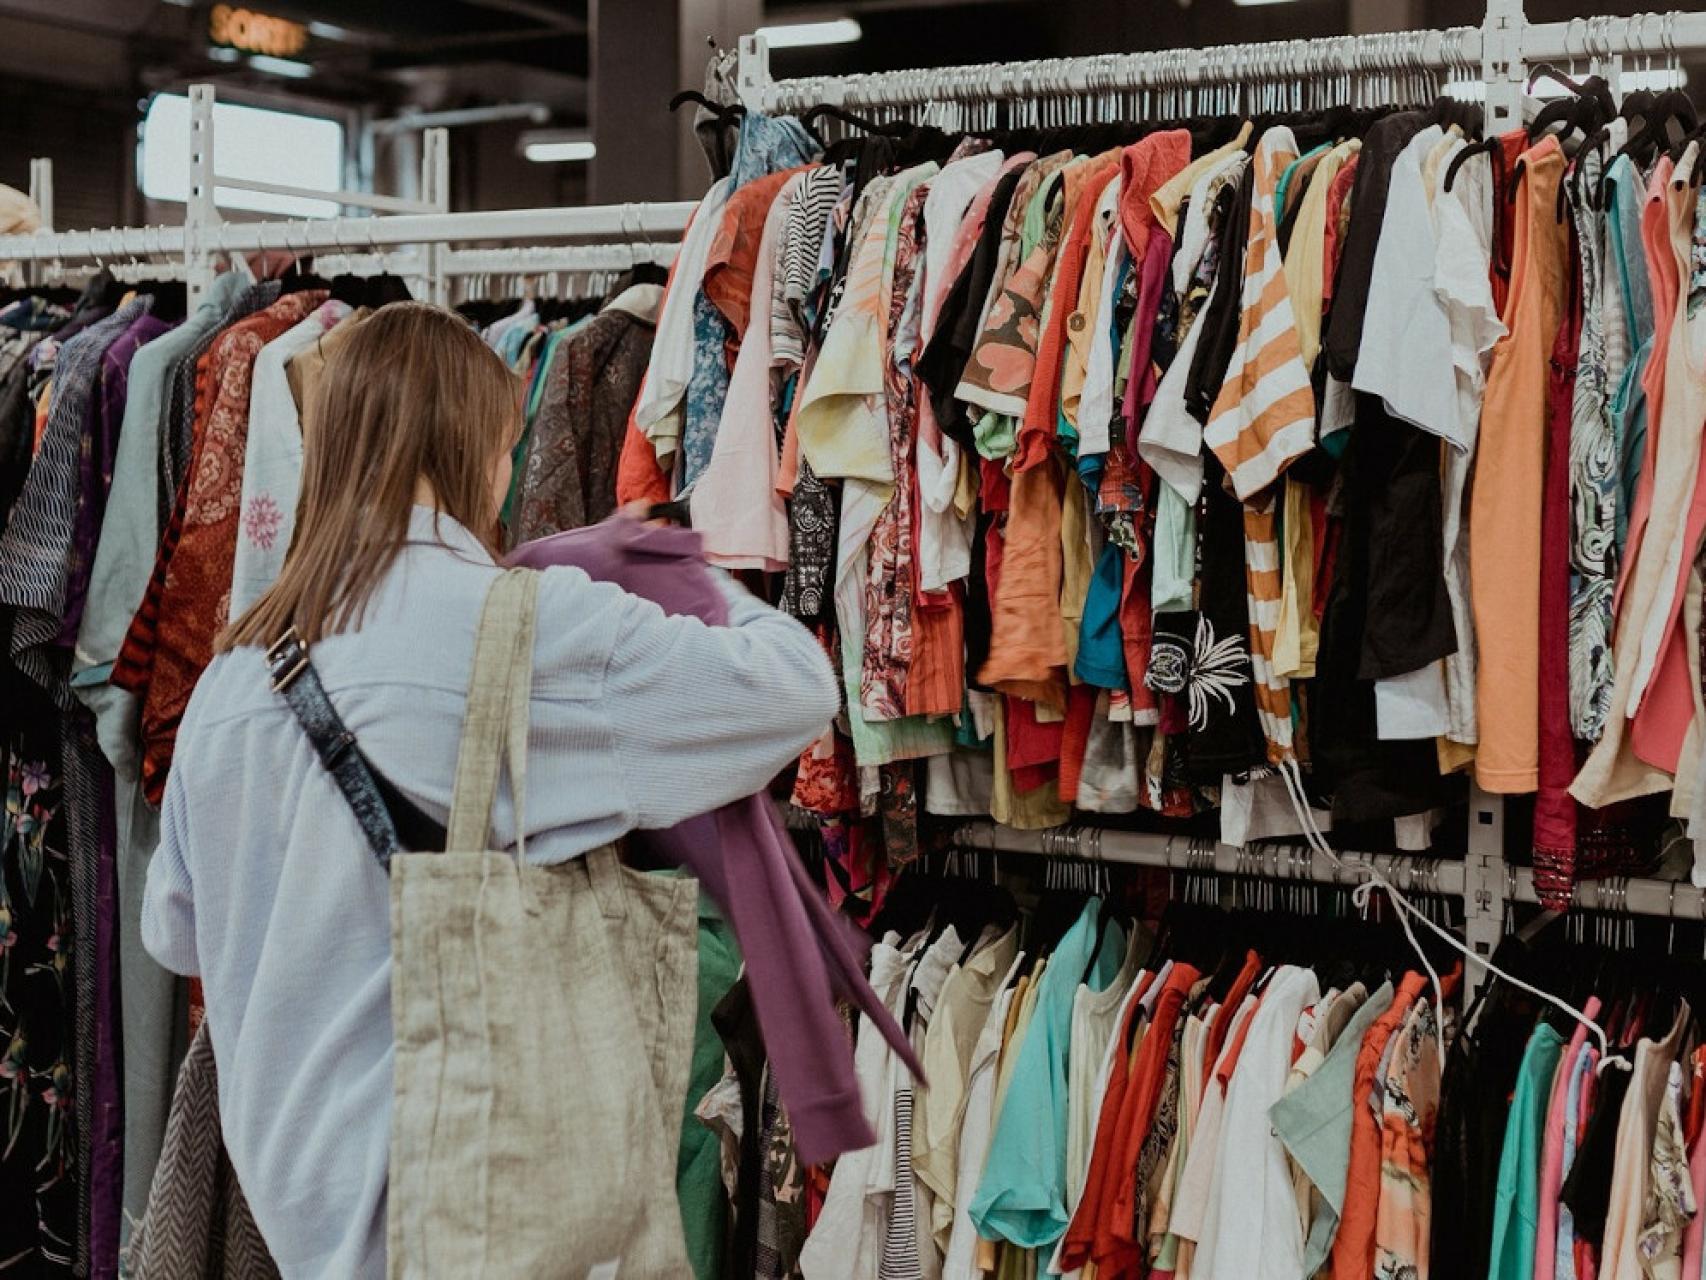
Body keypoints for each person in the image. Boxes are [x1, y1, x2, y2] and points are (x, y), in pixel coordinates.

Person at [141, 301, 840, 1276]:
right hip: (466, 1211)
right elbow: (792, 690)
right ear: (477, 445)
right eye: (507, 446)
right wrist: (665, 563)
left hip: (289, 1222)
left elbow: (176, 931)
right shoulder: (528, 630)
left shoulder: (236, 668)